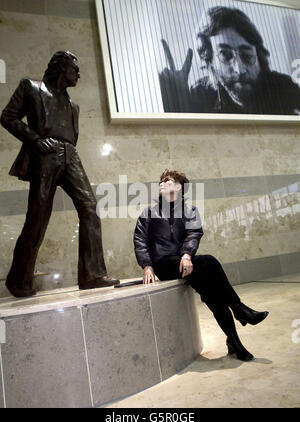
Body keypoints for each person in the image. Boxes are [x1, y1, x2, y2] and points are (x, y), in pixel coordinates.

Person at [1, 51, 119, 298]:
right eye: (74, 69)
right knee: (38, 215)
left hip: (70, 155)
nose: (78, 74)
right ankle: (18, 279)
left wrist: (66, 152)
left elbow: (72, 138)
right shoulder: (31, 87)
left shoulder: (73, 106)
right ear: (60, 68)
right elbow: (8, 116)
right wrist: (35, 139)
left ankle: (92, 275)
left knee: (90, 206)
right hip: (45, 155)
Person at [134, 169, 269, 361]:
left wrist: (187, 255)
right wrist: (147, 265)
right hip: (164, 265)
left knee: (214, 296)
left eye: (169, 180)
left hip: (184, 263)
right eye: (161, 181)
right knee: (209, 261)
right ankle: (239, 309)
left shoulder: (190, 211)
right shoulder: (149, 212)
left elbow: (194, 234)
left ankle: (235, 343)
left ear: (179, 188)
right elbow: (140, 239)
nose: (163, 183)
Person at [159, 6, 300, 115]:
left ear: (260, 58)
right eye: (225, 55)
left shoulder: (287, 89)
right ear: (210, 60)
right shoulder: (201, 95)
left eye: (247, 55)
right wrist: (177, 100)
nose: (240, 69)